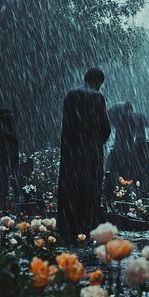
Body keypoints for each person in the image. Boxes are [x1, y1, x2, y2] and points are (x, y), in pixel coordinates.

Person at [57, 68, 111, 243]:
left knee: (70, 188)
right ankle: (86, 225)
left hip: (72, 152)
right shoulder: (98, 98)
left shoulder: (71, 95)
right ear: (99, 82)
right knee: (90, 189)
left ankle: (67, 226)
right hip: (91, 152)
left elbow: (66, 125)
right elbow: (105, 129)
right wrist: (95, 142)